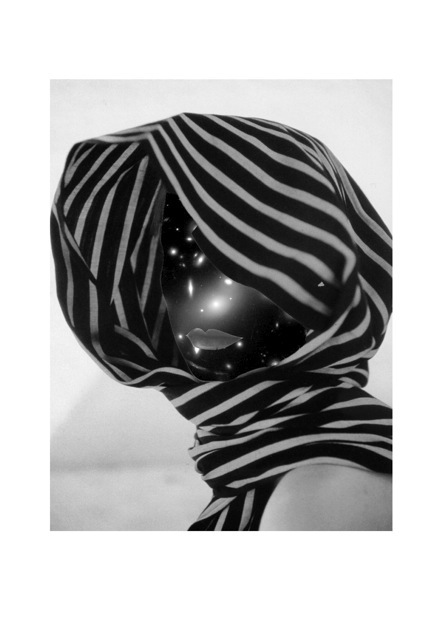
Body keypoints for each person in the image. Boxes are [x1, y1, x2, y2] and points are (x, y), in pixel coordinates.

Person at [51, 112, 392, 530]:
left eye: (233, 257)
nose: (198, 296)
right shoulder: (273, 468)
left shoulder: (318, 498)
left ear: (329, 282)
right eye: (174, 256)